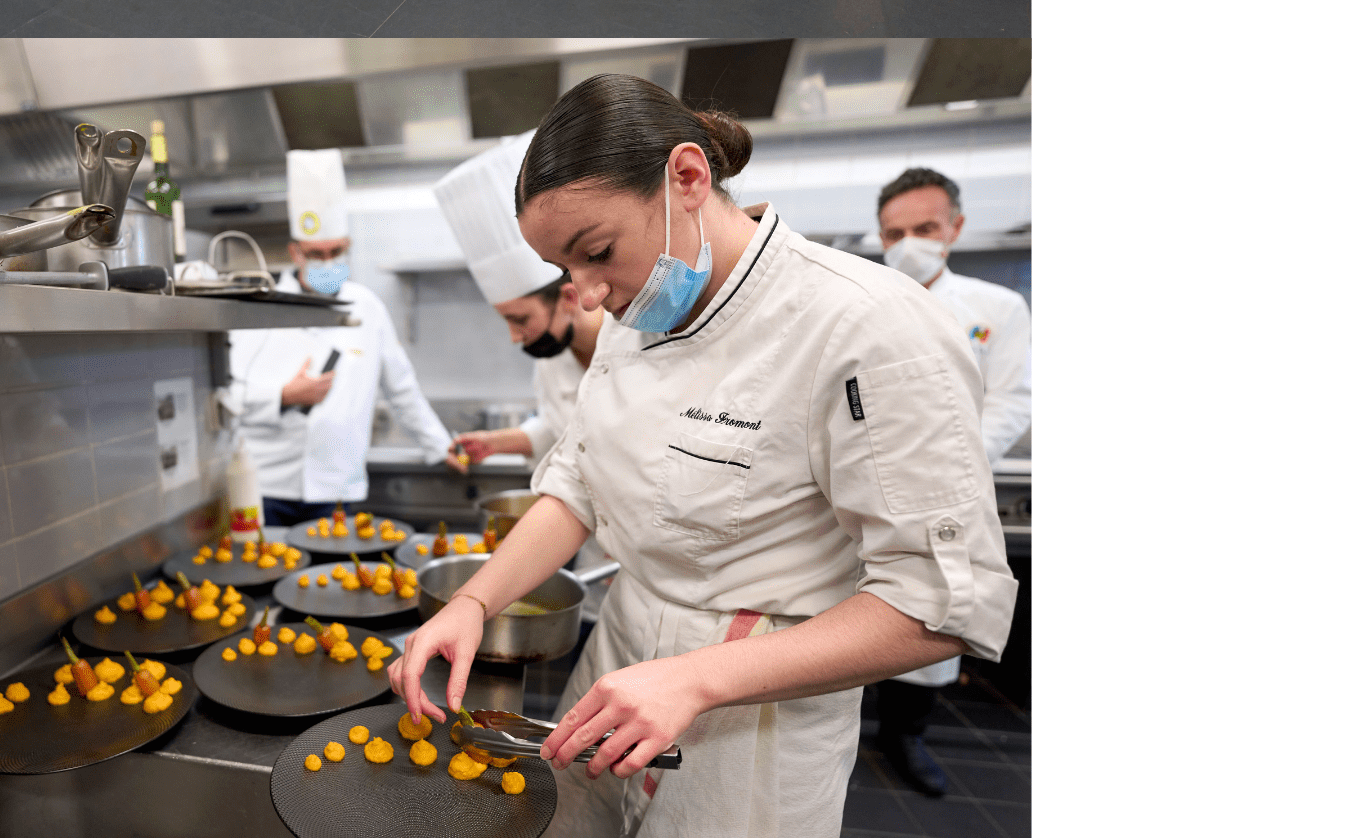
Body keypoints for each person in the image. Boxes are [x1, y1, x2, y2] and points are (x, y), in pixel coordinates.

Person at [391, 75, 1016, 838]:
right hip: (621, 667)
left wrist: (696, 678)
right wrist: (472, 602)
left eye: (596, 253)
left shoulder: (867, 326)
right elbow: (574, 484)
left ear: (687, 178)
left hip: (751, 719)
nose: (587, 297)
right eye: (568, 272)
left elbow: (939, 604)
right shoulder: (639, 310)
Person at [869, 165, 1032, 795]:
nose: (909, 241)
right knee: (852, 619)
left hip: (948, 500)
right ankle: (848, 734)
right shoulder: (864, 300)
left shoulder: (996, 308)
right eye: (895, 231)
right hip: (864, 493)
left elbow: (1015, 400)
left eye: (925, 227)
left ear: (954, 228)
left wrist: (949, 468)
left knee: (929, 623)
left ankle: (905, 738)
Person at [222, 148, 453, 524]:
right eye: (317, 253)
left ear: (348, 248)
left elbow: (402, 390)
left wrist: (441, 447)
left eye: (336, 252)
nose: (328, 262)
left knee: (333, 580)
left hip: (338, 490)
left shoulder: (367, 308)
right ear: (296, 253)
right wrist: (281, 396)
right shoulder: (259, 310)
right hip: (267, 487)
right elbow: (223, 398)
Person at [432, 131, 599, 471]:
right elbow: (558, 430)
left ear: (568, 297)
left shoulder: (635, 335)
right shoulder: (552, 355)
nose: (514, 336)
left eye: (520, 319)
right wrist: (495, 443)